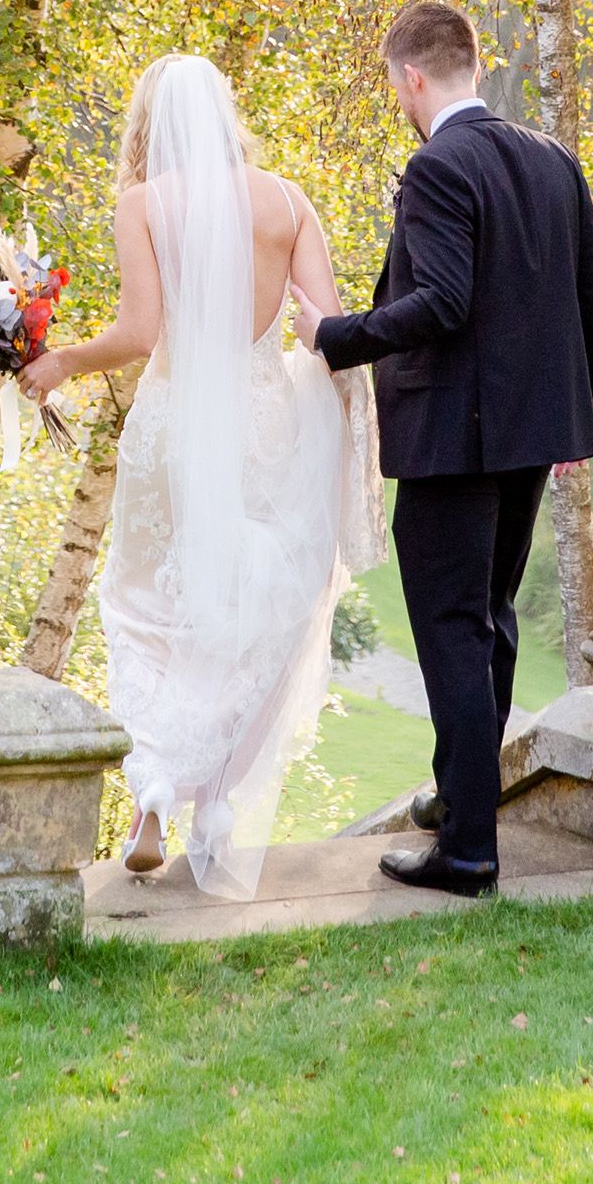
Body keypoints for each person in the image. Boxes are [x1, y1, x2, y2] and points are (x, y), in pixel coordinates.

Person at [21, 54, 381, 896]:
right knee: (256, 611)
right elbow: (324, 328)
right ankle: (215, 803)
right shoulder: (286, 201)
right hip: (266, 429)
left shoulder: (144, 204)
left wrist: (64, 360)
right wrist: (348, 430)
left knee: (148, 606)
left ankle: (151, 789)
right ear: (226, 113)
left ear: (149, 123)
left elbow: (143, 331)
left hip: (175, 430)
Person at [310, 0, 593, 895]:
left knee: (452, 628)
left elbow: (440, 303)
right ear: (471, 65)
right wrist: (578, 420)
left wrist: (336, 335)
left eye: (395, 88)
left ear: (413, 78)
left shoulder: (439, 166)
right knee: (489, 617)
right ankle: (462, 793)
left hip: (452, 438)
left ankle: (470, 851)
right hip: (532, 436)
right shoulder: (555, 159)